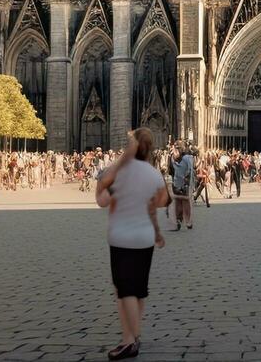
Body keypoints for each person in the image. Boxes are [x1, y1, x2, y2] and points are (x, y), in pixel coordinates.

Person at [97, 128, 168, 360]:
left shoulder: (120, 173)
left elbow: (102, 199)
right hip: (145, 237)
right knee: (138, 289)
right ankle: (130, 337)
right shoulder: (153, 173)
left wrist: (118, 165)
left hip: (121, 237)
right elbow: (162, 201)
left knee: (123, 288)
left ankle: (132, 338)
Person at [169, 144, 194, 231]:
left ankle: (188, 221)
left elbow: (190, 170)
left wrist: (187, 180)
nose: (174, 152)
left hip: (184, 183)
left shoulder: (186, 158)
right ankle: (179, 220)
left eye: (176, 150)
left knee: (185, 202)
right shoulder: (172, 159)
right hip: (177, 183)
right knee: (179, 202)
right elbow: (171, 171)